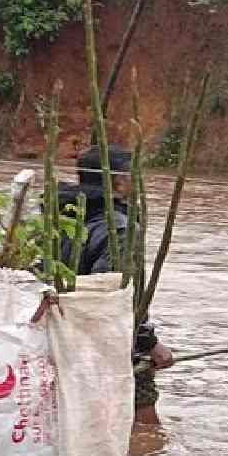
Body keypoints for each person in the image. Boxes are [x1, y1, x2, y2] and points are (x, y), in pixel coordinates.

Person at [57, 145, 174, 425]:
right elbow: (114, 297)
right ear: (119, 180)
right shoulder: (118, 228)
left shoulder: (60, 215)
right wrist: (149, 343)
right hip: (109, 345)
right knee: (144, 428)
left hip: (62, 338)